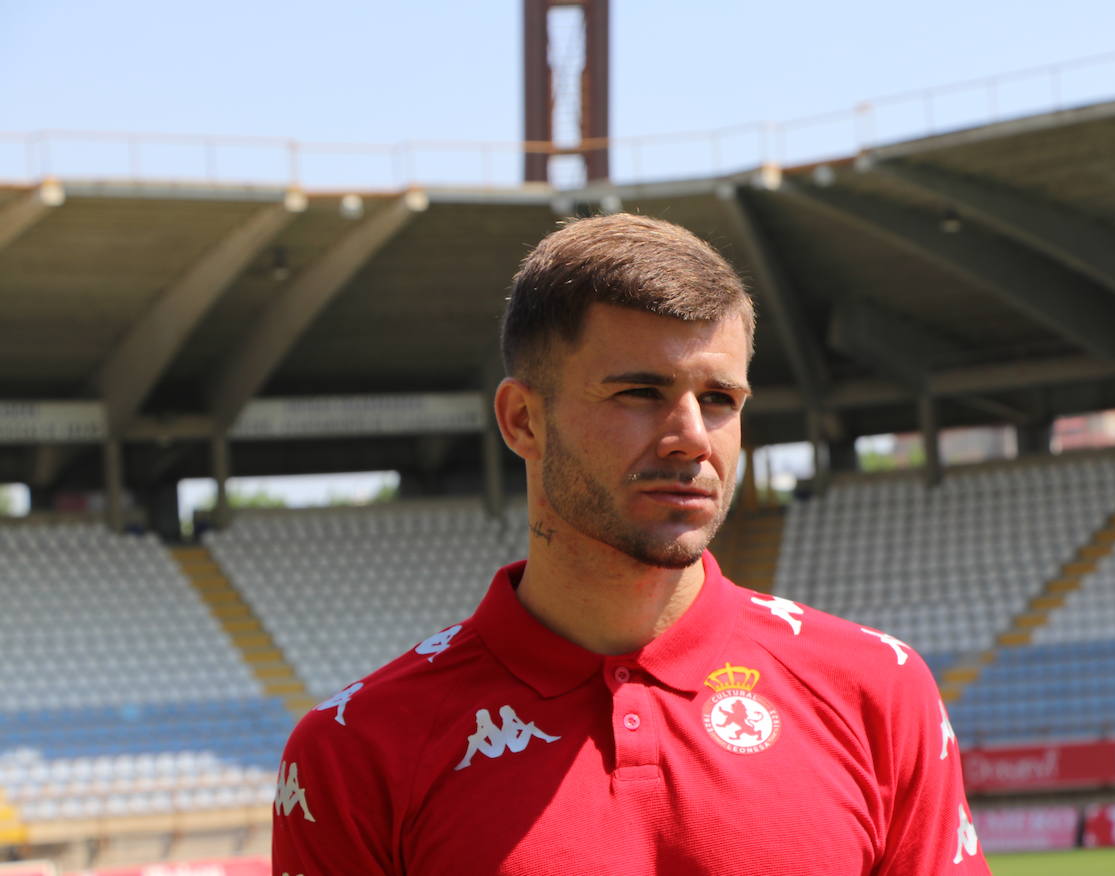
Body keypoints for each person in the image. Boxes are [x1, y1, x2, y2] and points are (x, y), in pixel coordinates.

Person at [272, 213, 988, 875]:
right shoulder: (356, 748)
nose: (691, 438)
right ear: (524, 420)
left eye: (719, 400)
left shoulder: (876, 692)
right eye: (639, 392)